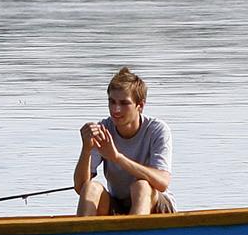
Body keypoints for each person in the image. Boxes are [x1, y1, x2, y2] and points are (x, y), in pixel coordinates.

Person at [75, 67, 175, 216]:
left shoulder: (157, 130)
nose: (116, 109)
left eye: (124, 103)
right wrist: (86, 150)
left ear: (140, 106)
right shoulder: (103, 129)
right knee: (91, 188)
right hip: (119, 205)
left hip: (157, 208)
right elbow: (80, 187)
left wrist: (117, 157)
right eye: (112, 102)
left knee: (141, 186)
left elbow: (162, 183)